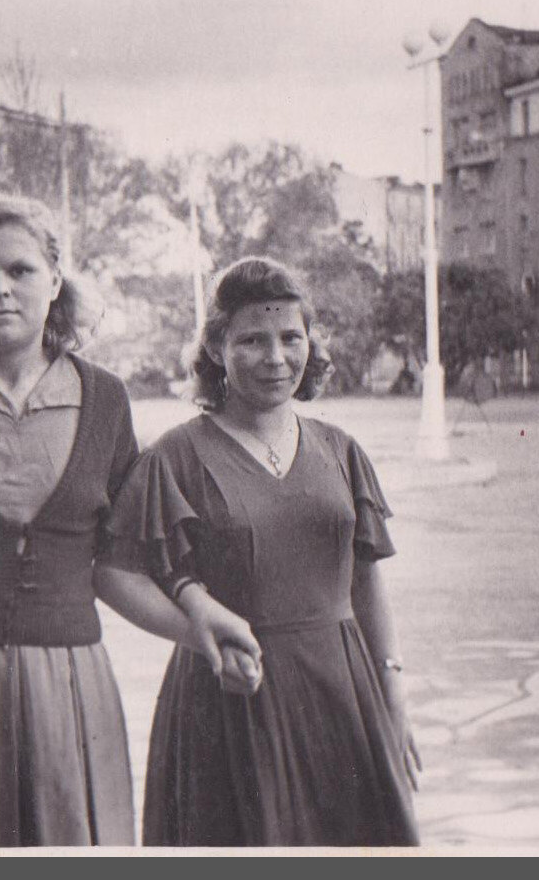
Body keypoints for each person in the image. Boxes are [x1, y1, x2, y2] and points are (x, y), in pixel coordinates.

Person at [0, 195, 258, 847]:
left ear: (55, 281)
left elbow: (125, 560)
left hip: (69, 695)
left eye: (20, 270)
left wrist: (198, 617)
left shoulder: (104, 399)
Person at [110, 257, 422, 846]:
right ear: (216, 348)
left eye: (290, 337)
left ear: (310, 343)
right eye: (252, 340)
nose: (276, 357)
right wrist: (196, 632)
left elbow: (366, 583)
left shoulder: (341, 450)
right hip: (229, 702)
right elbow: (116, 573)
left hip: (342, 697)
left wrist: (393, 696)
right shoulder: (174, 457)